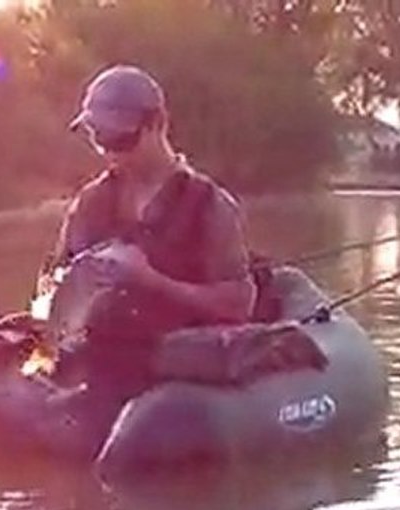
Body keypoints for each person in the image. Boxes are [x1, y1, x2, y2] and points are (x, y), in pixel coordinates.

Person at [38, 64, 257, 398]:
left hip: (176, 370)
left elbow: (239, 305)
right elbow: (52, 284)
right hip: (101, 360)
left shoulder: (210, 205)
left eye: (119, 138)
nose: (109, 150)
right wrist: (65, 301)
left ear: (157, 124)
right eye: (98, 138)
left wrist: (152, 281)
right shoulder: (89, 202)